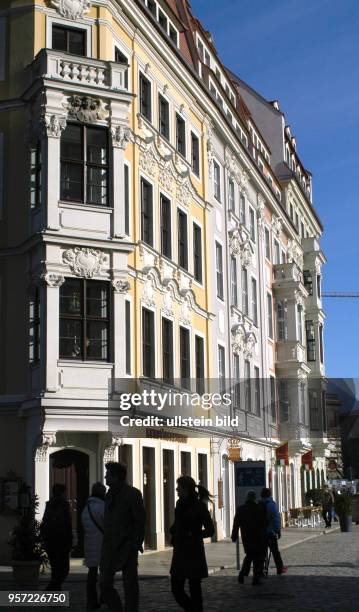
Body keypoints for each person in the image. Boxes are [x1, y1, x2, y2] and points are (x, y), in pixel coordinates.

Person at [100, 462, 145, 612]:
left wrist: (136, 543)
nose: (105, 476)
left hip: (127, 545)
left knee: (130, 585)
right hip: (109, 547)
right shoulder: (109, 495)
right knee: (104, 583)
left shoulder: (133, 494)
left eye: (108, 474)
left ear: (117, 477)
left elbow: (140, 520)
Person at [170, 476, 215, 612]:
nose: (177, 489)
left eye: (179, 487)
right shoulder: (179, 504)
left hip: (194, 551)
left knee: (195, 589)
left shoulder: (200, 506)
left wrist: (194, 535)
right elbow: (179, 523)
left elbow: (210, 530)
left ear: (186, 488)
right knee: (176, 588)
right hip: (180, 550)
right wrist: (173, 529)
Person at [40, 483, 72, 590]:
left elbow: (44, 522)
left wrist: (43, 538)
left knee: (55, 568)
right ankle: (52, 588)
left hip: (50, 541)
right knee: (64, 570)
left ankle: (55, 594)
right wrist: (70, 541)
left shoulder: (49, 504)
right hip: (61, 541)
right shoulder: (64, 505)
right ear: (62, 492)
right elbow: (67, 524)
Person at [231, 490, 267, 585]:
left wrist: (234, 535)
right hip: (258, 536)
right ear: (254, 498)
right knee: (257, 558)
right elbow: (264, 522)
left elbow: (236, 523)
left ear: (247, 498)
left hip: (246, 537)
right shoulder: (259, 508)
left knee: (249, 555)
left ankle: (242, 574)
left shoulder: (241, 509)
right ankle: (255, 578)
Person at [81, 482, 107, 610]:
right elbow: (108, 525)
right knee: (105, 574)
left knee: (91, 575)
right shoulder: (102, 507)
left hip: (90, 545)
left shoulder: (87, 508)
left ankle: (91, 601)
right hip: (102, 545)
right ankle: (104, 597)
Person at [260, 487, 287, 575]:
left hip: (261, 533)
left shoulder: (258, 504)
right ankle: (280, 568)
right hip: (270, 532)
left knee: (262, 553)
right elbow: (276, 519)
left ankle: (261, 570)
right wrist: (278, 530)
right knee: (275, 552)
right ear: (270, 495)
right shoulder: (271, 505)